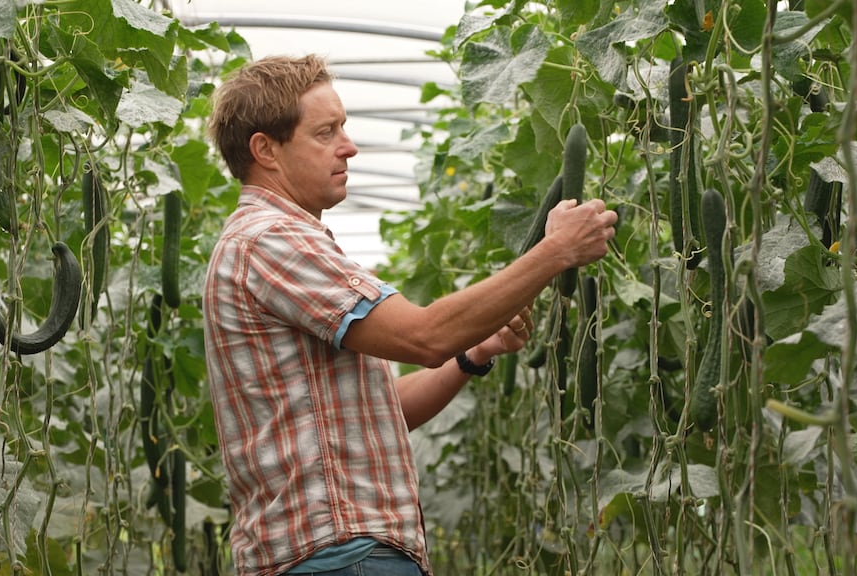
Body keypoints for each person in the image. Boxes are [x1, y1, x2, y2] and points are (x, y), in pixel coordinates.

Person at [202, 54, 617, 576]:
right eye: (326, 132)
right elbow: (426, 335)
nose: (348, 147)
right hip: (338, 557)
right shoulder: (270, 240)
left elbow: (382, 411)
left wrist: (474, 354)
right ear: (266, 150)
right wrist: (556, 251)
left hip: (340, 555)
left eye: (345, 129)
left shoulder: (280, 243)